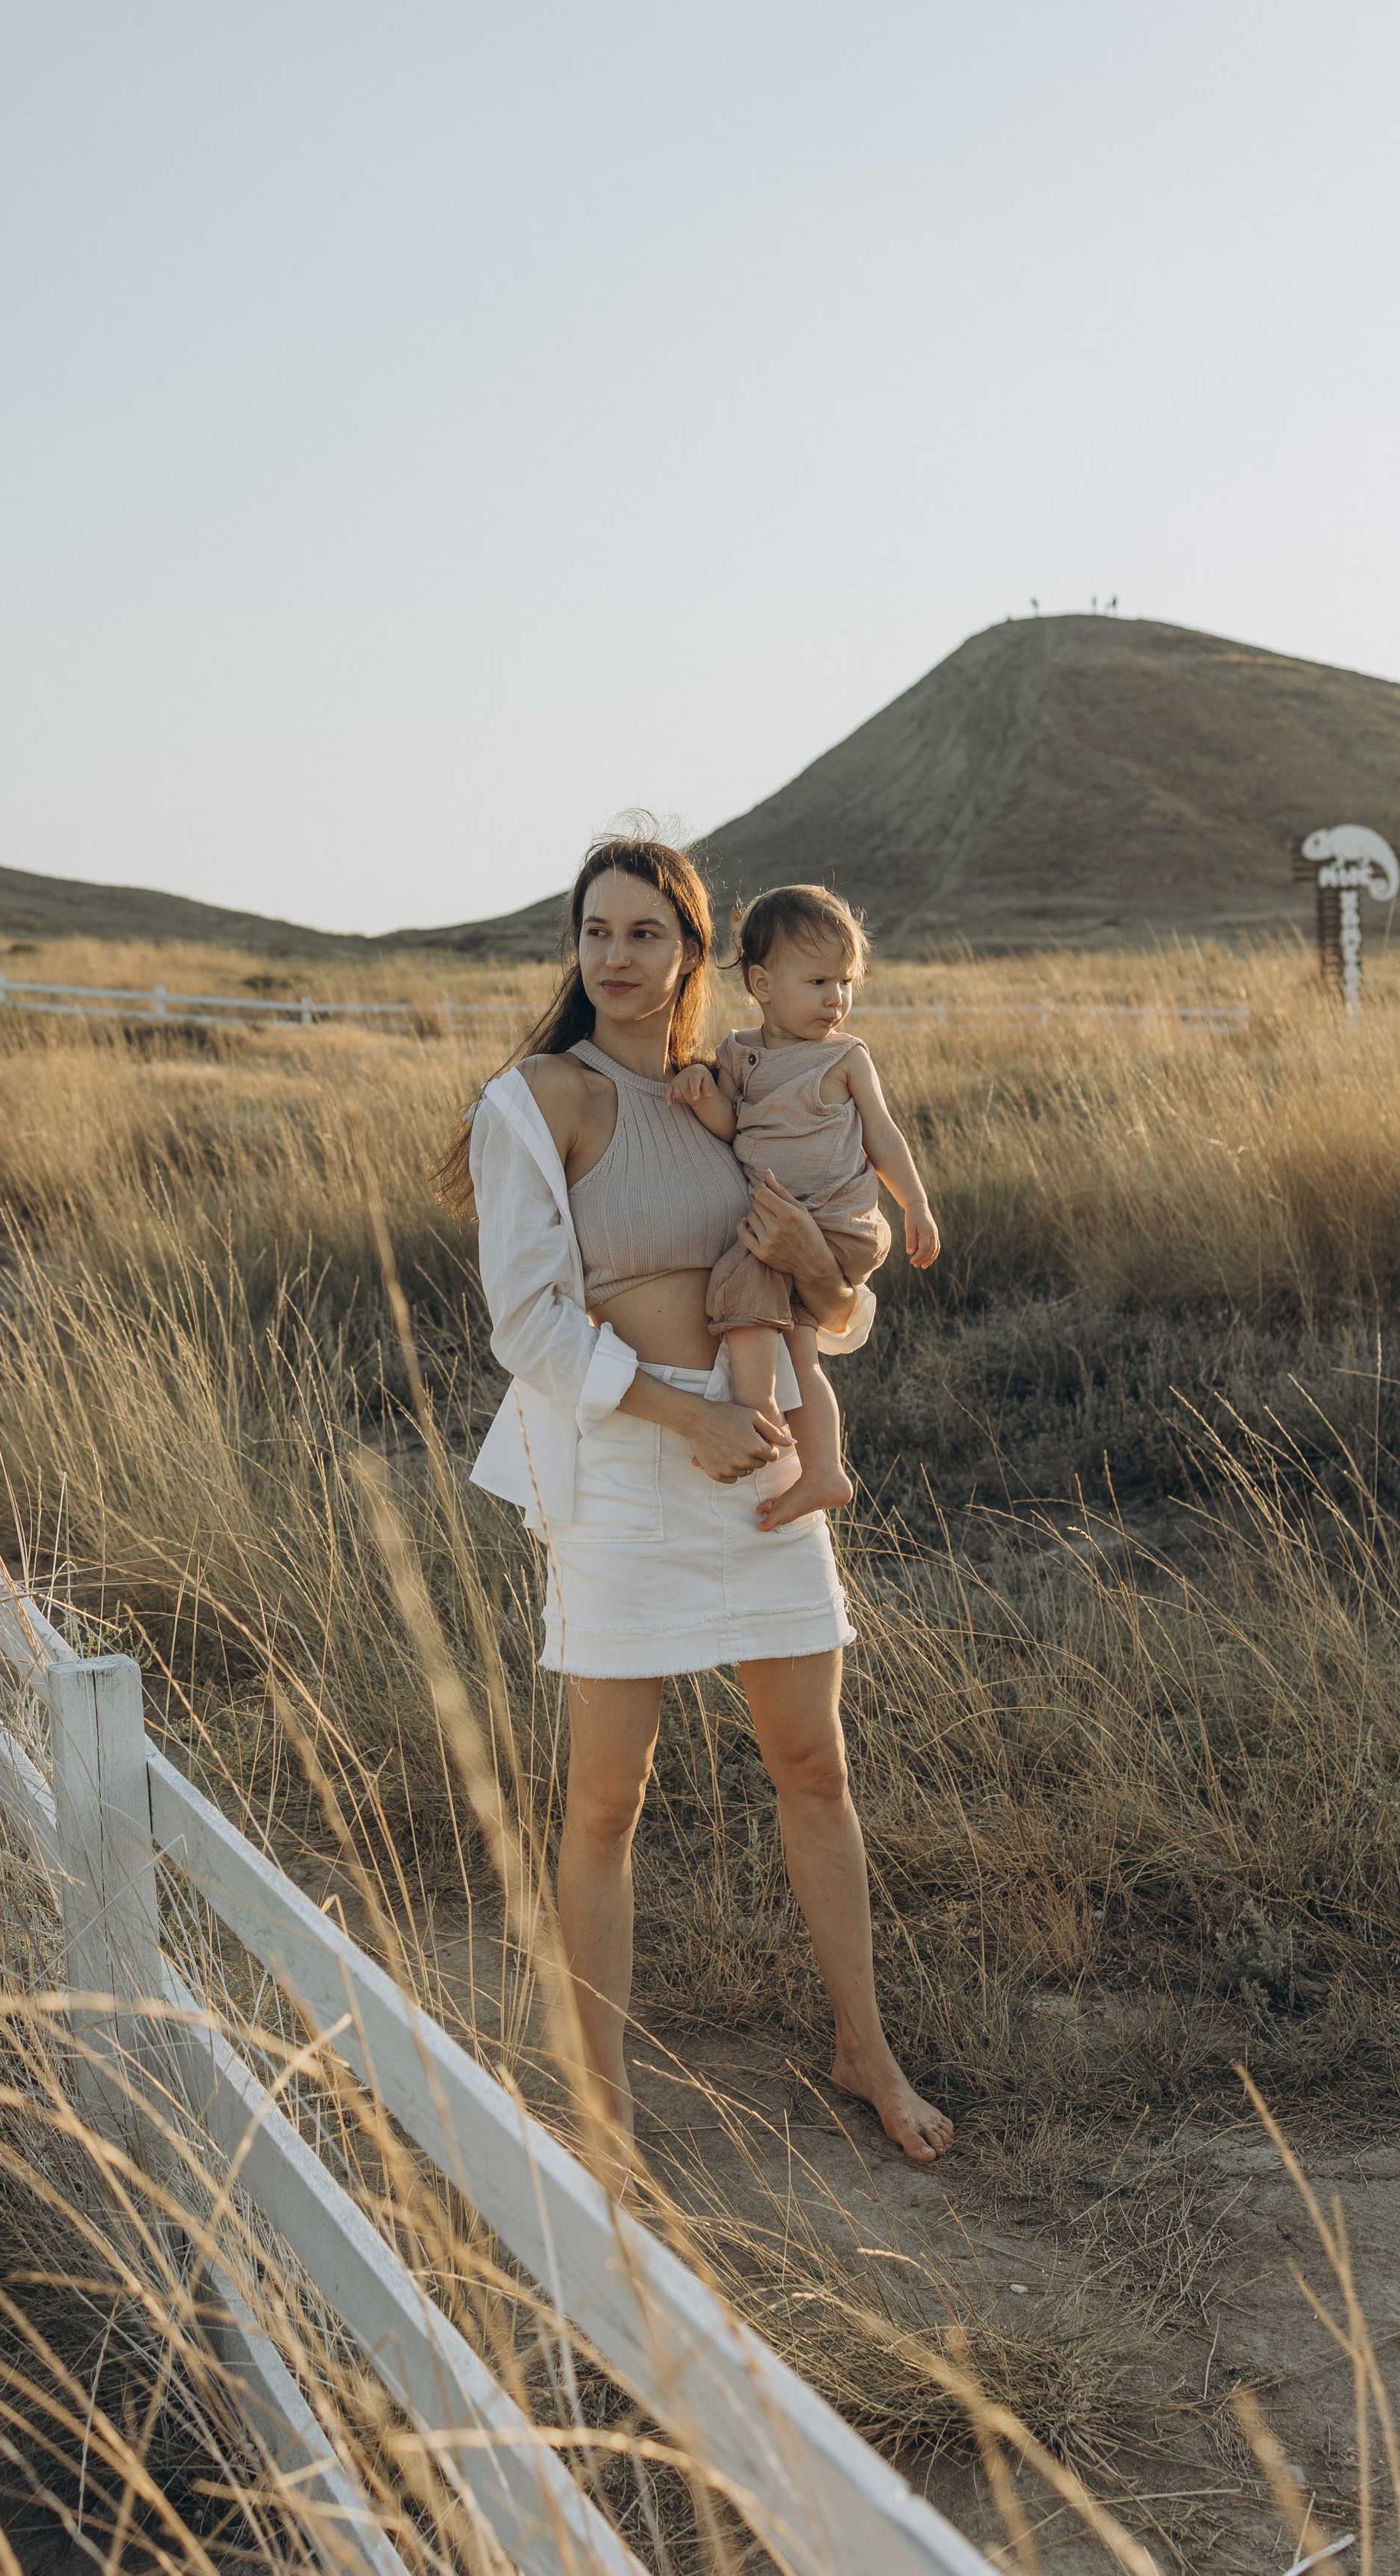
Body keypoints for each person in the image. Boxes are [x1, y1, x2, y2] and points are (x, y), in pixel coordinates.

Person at [438, 833, 953, 2181]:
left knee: (815, 1769)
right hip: (623, 1466)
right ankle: (601, 2109)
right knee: (606, 1804)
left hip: (768, 1446)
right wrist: (689, 1419)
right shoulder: (538, 1099)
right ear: (576, 947)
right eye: (597, 932)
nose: (618, 957)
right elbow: (531, 1329)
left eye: (645, 934)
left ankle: (866, 2049)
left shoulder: (742, 1089)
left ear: (692, 951)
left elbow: (834, 1303)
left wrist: (820, 1272)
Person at [668, 884, 940, 1529]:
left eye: (846, 982)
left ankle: (752, 1414)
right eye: (819, 981)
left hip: (839, 1225)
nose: (837, 999)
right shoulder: (740, 1054)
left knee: (741, 1279)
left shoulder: (844, 1057)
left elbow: (883, 1136)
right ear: (762, 983)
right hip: (784, 1223)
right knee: (802, 1354)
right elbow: (730, 1126)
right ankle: (822, 1471)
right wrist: (699, 1086)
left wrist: (917, 1206)